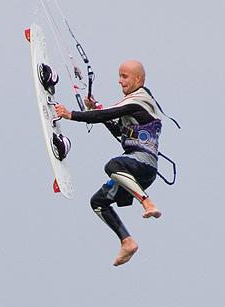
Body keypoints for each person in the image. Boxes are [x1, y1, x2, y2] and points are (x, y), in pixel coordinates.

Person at [55, 60, 164, 266]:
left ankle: (147, 202)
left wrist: (71, 115)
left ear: (138, 79)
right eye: (119, 76)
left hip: (143, 165)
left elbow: (106, 114)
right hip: (135, 169)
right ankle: (127, 242)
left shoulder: (139, 99)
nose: (120, 81)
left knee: (112, 166)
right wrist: (95, 106)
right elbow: (116, 129)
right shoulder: (132, 104)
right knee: (98, 202)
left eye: (124, 77)